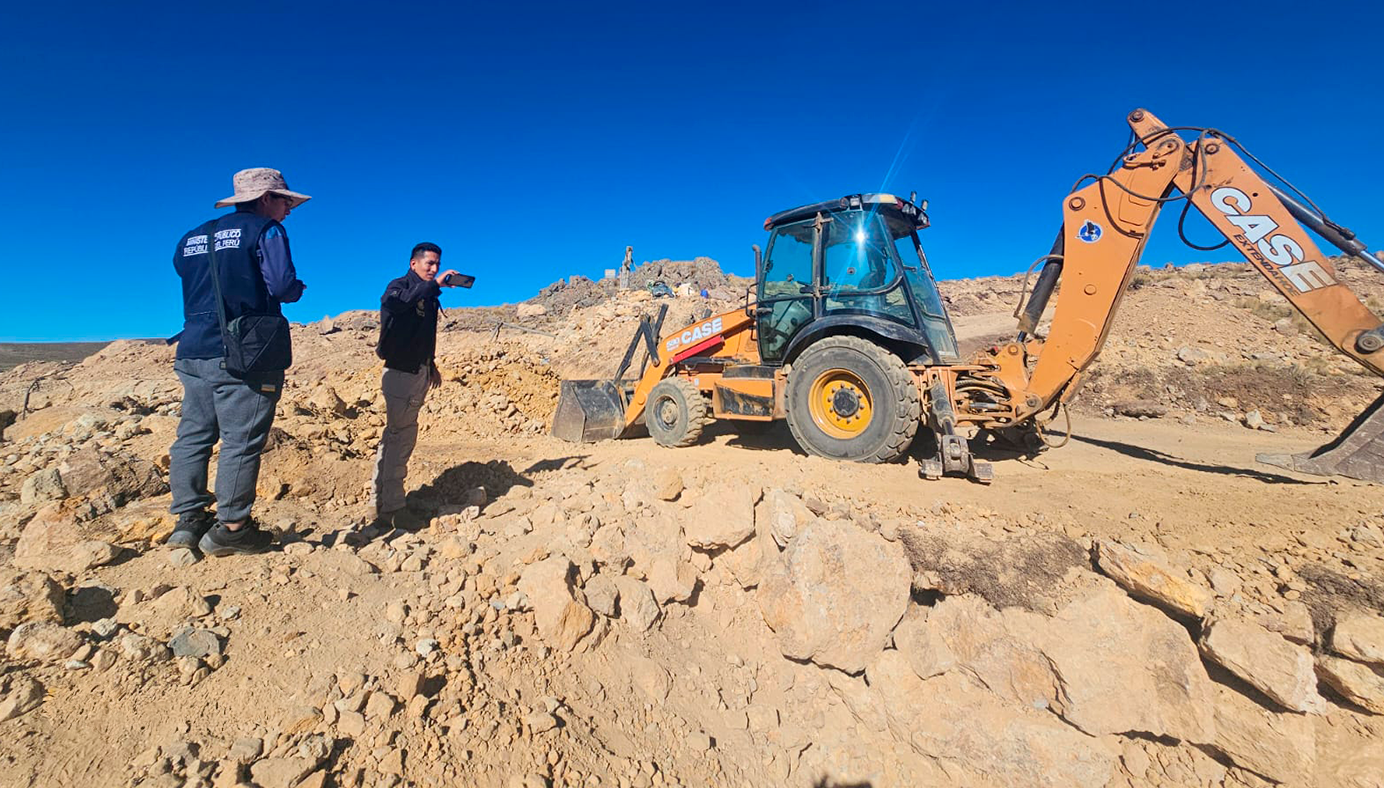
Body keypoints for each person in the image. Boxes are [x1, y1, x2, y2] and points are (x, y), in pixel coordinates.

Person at [166, 168, 309, 557]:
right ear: (265, 199)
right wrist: (296, 289)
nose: (288, 210)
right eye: (284, 201)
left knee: (193, 436)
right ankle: (231, 528)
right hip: (246, 351)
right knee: (241, 440)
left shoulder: (191, 237)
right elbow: (282, 286)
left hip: (193, 349)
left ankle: (187, 520)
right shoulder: (267, 231)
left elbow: (184, 273)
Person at [371, 242, 464, 528]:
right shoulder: (399, 287)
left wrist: (430, 364)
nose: (434, 269)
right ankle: (393, 509)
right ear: (414, 264)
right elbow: (397, 305)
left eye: (437, 264)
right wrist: (433, 285)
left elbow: (421, 333)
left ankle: (382, 502)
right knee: (400, 438)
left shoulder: (428, 295)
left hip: (417, 370)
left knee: (396, 436)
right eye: (429, 264)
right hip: (400, 372)